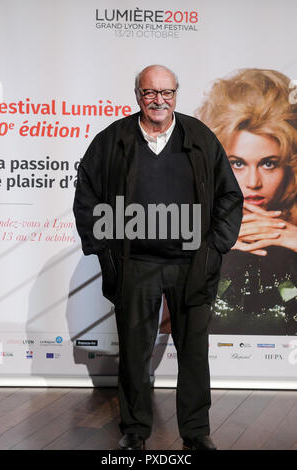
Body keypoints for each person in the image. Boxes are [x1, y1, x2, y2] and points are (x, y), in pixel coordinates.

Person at [73, 64, 243, 450]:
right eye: (150, 93)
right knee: (134, 351)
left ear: (176, 95)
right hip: (136, 264)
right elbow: (87, 196)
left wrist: (216, 244)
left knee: (194, 352)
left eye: (166, 93)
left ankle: (196, 433)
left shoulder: (199, 136)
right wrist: (104, 249)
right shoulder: (112, 139)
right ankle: (134, 432)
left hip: (192, 263)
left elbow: (230, 196)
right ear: (138, 95)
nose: (158, 100)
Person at [196, 68, 297, 334]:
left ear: (290, 165)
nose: (253, 182)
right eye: (237, 163)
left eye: (269, 163)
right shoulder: (190, 219)